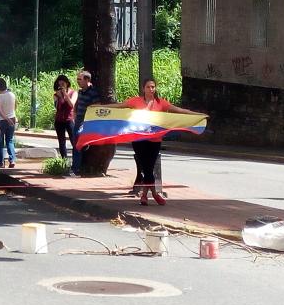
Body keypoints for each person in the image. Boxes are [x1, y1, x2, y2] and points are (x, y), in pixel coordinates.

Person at [103, 78, 204, 206]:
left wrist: (197, 115)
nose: (151, 89)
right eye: (148, 87)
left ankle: (145, 195)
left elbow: (178, 110)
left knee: (149, 168)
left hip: (155, 140)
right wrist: (101, 107)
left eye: (153, 87)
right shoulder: (136, 101)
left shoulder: (160, 103)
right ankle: (154, 194)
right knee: (146, 167)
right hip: (139, 140)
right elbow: (119, 106)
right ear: (143, 89)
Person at [72, 70, 101, 176]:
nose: (78, 81)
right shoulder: (80, 91)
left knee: (79, 143)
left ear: (87, 80)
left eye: (80, 79)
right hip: (78, 119)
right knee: (76, 143)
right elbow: (78, 102)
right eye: (77, 79)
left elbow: (97, 105)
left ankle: (77, 168)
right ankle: (76, 167)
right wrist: (75, 112)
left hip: (87, 121)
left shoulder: (93, 92)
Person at [52, 74, 78, 160]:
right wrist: (59, 97)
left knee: (73, 140)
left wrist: (65, 95)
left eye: (63, 84)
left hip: (69, 119)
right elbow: (57, 107)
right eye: (59, 84)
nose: (61, 86)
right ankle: (64, 161)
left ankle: (76, 161)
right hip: (59, 120)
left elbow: (71, 105)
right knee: (62, 142)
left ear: (67, 83)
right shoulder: (56, 95)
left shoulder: (73, 93)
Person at [0, 77, 16, 168]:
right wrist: (11, 118)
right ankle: (12, 159)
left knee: (0, 141)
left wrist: (6, 118)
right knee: (10, 140)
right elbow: (14, 106)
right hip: (12, 118)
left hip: (2, 121)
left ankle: (0, 162)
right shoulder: (12, 94)